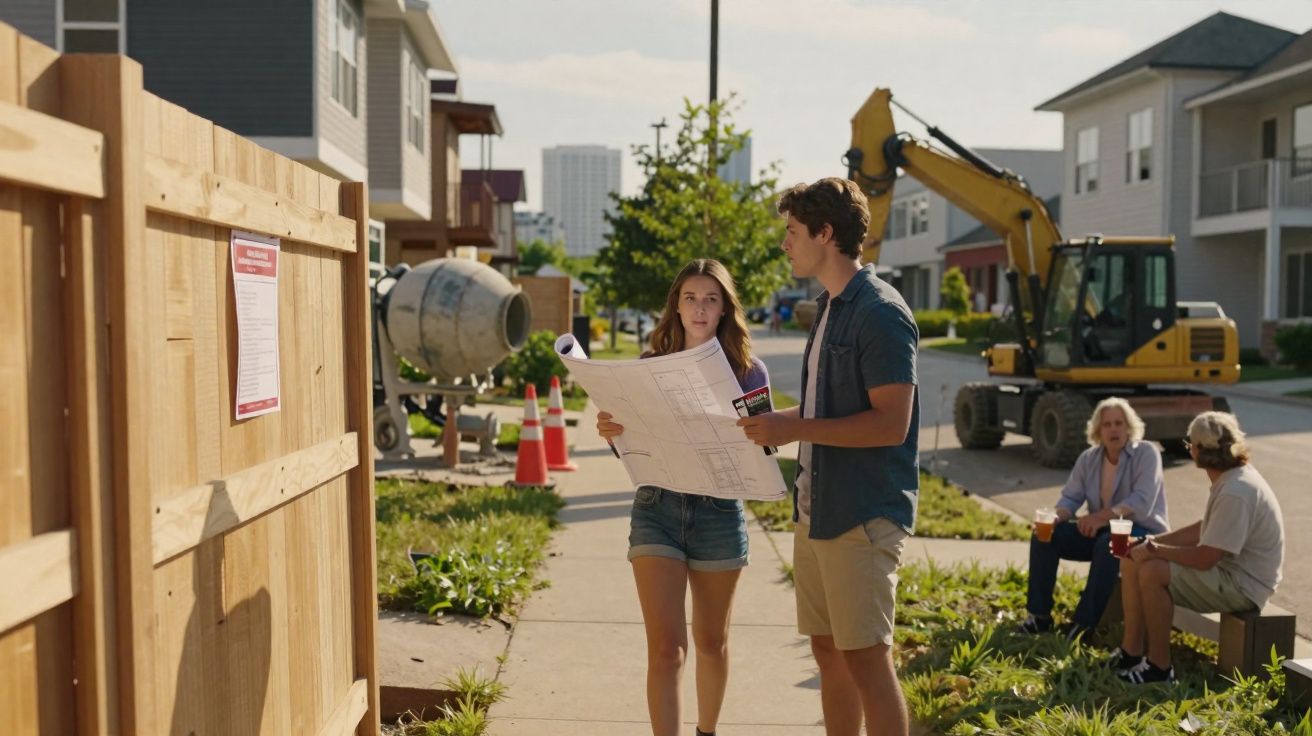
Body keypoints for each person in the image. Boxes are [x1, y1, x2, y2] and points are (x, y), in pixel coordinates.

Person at [737, 177, 918, 736]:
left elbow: (891, 424)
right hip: (817, 510)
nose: (785, 243)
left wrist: (793, 427)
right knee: (828, 651)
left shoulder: (881, 312)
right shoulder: (830, 307)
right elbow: (824, 409)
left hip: (861, 515)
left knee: (866, 656)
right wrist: (772, 424)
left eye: (793, 232)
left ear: (825, 232)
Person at [595, 259, 768, 736]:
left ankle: (706, 732)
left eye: (711, 299)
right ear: (676, 305)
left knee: (712, 642)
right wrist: (610, 431)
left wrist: (758, 434)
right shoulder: (647, 368)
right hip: (657, 510)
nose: (699, 307)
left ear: (724, 309)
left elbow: (764, 448)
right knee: (667, 649)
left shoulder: (749, 374)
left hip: (719, 513)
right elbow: (629, 445)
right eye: (690, 297)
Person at [1114, 411, 1285, 684]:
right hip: (1229, 573)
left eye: (1188, 444)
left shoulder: (1235, 490)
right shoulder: (1232, 477)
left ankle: (1159, 669)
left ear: (1197, 450)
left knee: (1152, 571)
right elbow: (1203, 528)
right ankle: (1131, 652)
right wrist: (1148, 544)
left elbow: (1206, 557)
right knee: (1131, 558)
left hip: (1244, 585)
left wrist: (1156, 549)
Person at [1020, 397, 1169, 639]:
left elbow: (1142, 502)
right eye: (1107, 424)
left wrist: (1101, 517)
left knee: (1108, 544)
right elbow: (1070, 498)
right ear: (1098, 431)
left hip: (1142, 532)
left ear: (1129, 427)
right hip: (1102, 530)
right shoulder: (1089, 458)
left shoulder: (1147, 453)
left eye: (1119, 423)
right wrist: (1055, 518)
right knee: (1045, 538)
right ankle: (1039, 617)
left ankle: (1084, 625)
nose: (1114, 429)